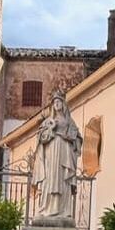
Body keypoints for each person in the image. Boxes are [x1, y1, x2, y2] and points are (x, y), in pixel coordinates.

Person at [31, 91, 82, 219]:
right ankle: (46, 209)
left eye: (59, 102)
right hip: (51, 152)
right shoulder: (48, 121)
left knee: (63, 179)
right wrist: (50, 131)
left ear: (63, 104)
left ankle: (63, 210)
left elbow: (78, 138)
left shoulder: (70, 121)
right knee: (49, 178)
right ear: (52, 105)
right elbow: (40, 138)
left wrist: (69, 137)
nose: (57, 104)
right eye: (55, 102)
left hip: (65, 151)